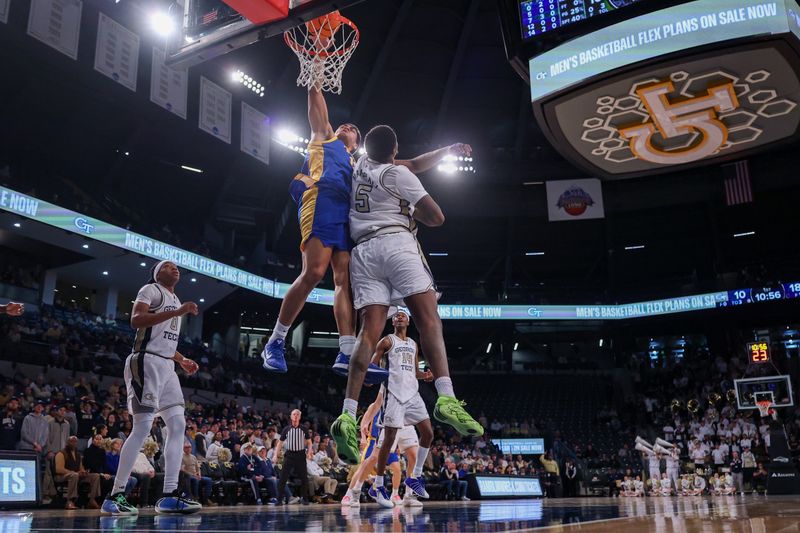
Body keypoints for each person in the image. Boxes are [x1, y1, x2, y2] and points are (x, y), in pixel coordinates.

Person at [331, 133, 485, 461]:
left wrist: (447, 149)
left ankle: (346, 413)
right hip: (396, 244)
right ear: (395, 150)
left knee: (368, 333)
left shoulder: (360, 165)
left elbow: (414, 162)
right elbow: (436, 216)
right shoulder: (400, 175)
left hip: (363, 252)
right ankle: (446, 397)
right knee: (428, 319)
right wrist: (412, 212)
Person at [259, 80, 389, 385]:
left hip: (345, 215)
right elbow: (314, 100)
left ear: (356, 144)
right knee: (315, 273)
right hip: (321, 202)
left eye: (352, 128)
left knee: (345, 280)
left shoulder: (357, 163)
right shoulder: (324, 138)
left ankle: (346, 353)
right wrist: (315, 69)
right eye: (343, 124)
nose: (345, 126)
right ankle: (275, 341)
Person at [101, 261, 201, 516]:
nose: (175, 268)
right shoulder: (151, 290)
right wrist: (177, 312)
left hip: (167, 366)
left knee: (178, 426)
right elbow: (137, 320)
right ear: (157, 273)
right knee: (143, 426)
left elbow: (163, 339)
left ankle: (168, 495)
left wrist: (181, 360)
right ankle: (115, 495)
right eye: (168, 266)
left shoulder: (174, 297)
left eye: (176, 266)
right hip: (145, 361)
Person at [357, 310, 435, 508]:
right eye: (396, 316)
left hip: (413, 395)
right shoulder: (386, 341)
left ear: (408, 321)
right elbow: (373, 366)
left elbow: (414, 370)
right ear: (393, 322)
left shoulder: (413, 344)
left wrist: (424, 376)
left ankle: (415, 477)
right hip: (393, 395)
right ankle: (379, 485)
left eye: (403, 315)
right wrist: (368, 379)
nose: (400, 317)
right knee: (389, 439)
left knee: (428, 433)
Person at [275, 409, 312, 505]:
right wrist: (275, 455)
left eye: (297, 415)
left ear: (299, 417)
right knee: (283, 477)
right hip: (289, 455)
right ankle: (279, 499)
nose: (295, 416)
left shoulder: (304, 429)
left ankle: (305, 498)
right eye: (294, 414)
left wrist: (309, 452)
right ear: (291, 416)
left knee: (304, 478)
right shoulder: (286, 429)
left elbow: (309, 442)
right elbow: (280, 443)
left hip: (300, 455)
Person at [54, 436, 102, 509]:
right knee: (74, 475)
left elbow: (80, 468)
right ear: (67, 442)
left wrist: (83, 471)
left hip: (75, 475)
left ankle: (92, 499)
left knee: (95, 476)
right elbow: (59, 469)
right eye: (71, 441)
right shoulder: (61, 453)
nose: (73, 443)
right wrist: (73, 472)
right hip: (61, 476)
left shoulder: (78, 455)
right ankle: (70, 501)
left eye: (75, 442)